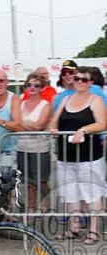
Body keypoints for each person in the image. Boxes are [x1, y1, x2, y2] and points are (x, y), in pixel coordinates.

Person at [50, 66, 107, 245]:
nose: (79, 82)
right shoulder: (66, 99)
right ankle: (73, 228)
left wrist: (83, 129)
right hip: (66, 157)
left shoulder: (95, 100)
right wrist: (53, 131)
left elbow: (102, 124)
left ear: (90, 83)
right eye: (77, 79)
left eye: (84, 79)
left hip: (89, 157)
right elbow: (53, 122)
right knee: (70, 193)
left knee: (93, 193)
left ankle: (93, 230)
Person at [17, 72, 51, 213]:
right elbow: (16, 124)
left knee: (41, 181)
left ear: (42, 88)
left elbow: (39, 126)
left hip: (40, 148)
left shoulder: (46, 105)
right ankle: (31, 209)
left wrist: (22, 124)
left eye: (36, 85)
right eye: (29, 85)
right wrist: (27, 125)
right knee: (27, 181)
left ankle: (47, 205)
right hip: (22, 147)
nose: (32, 87)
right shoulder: (21, 102)